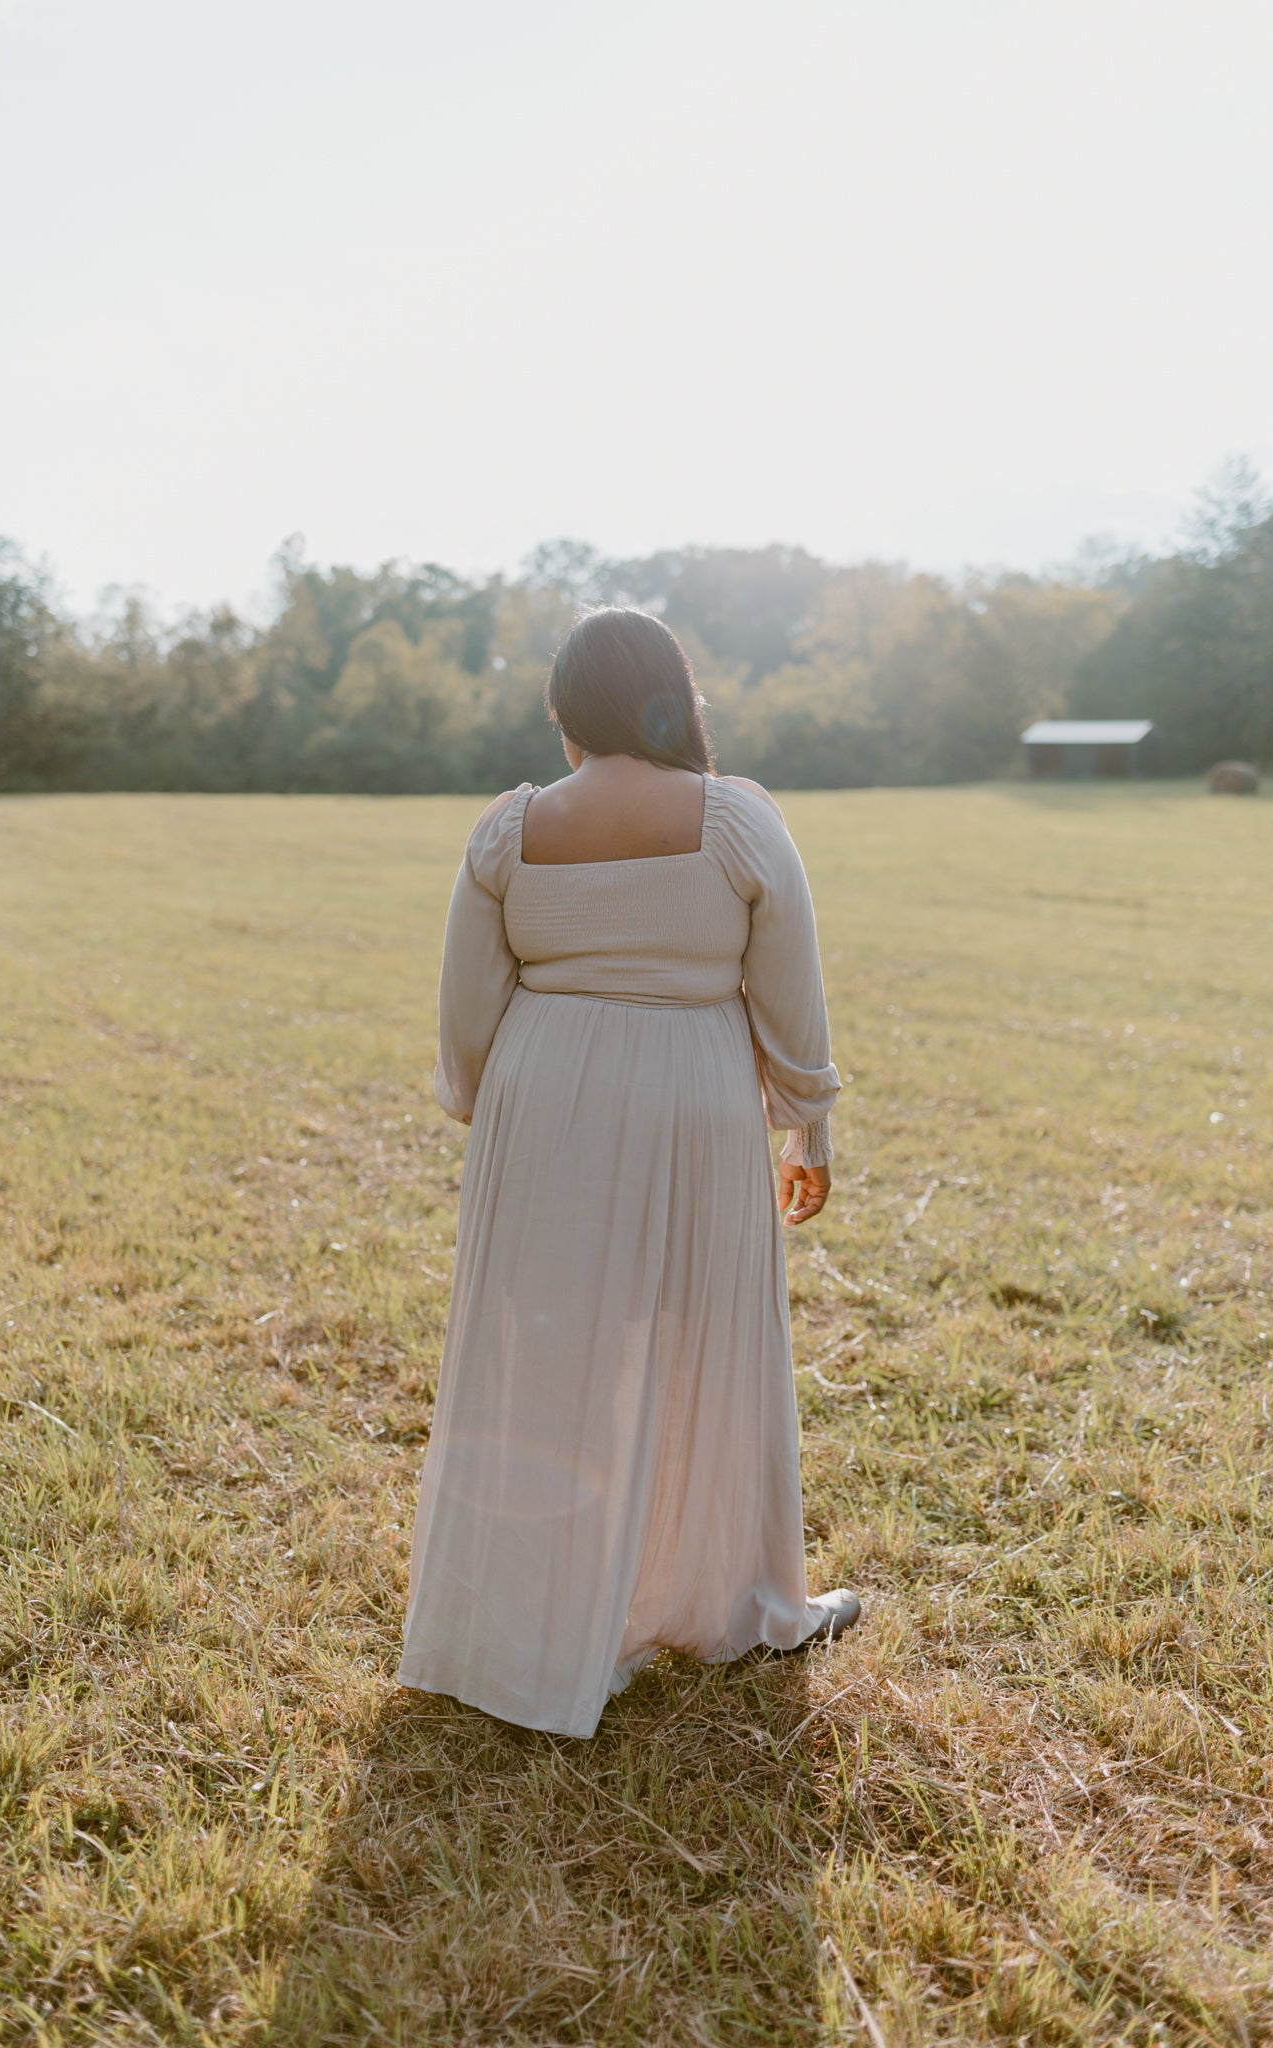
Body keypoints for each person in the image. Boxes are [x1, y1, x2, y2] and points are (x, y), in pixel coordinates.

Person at [396, 607, 859, 1739]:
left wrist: (488, 1104)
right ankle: (723, 1598)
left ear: (565, 709)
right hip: (692, 1095)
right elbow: (790, 994)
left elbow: (467, 1009)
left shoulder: (508, 830)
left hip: (543, 1092)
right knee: (704, 1343)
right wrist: (810, 1126)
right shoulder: (737, 818)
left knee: (549, 1350)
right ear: (674, 698)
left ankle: (536, 1622)